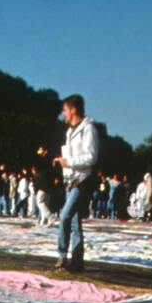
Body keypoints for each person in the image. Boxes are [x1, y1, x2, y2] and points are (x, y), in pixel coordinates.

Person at [53, 92, 99, 272]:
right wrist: (63, 163)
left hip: (82, 180)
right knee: (74, 222)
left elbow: (92, 156)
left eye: (65, 110)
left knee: (65, 215)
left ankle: (62, 255)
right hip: (70, 180)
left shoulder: (88, 129)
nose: (63, 114)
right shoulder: (70, 132)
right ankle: (78, 261)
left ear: (73, 110)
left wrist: (69, 162)